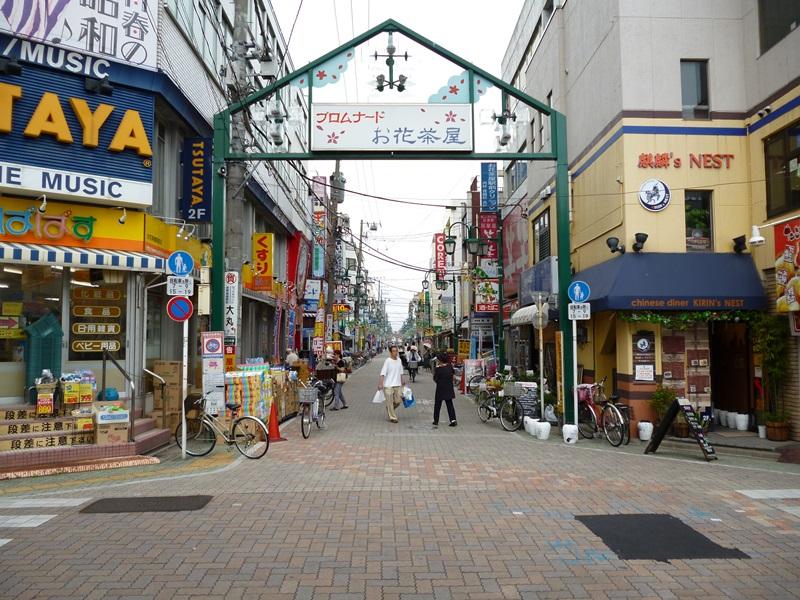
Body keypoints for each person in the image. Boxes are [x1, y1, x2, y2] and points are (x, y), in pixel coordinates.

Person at [378, 344, 405, 423]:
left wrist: (402, 380)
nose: (395, 352)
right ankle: (393, 417)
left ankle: (390, 408)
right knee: (389, 402)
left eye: (396, 351)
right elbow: (383, 373)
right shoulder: (388, 361)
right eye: (393, 351)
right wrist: (380, 383)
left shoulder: (399, 360)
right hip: (388, 385)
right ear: (390, 352)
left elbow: (401, 371)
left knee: (398, 401)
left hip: (398, 384)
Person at [432, 351, 457, 428]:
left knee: (437, 405)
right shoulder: (449, 366)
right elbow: (453, 374)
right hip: (449, 388)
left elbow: (435, 379)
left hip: (440, 389)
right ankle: (453, 420)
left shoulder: (438, 369)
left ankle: (436, 421)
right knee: (449, 404)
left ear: (440, 360)